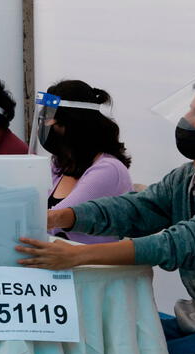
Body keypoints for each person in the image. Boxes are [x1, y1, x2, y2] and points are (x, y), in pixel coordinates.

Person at [16, 69, 195, 354]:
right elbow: (137, 209)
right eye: (189, 109)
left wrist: (78, 255)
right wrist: (64, 216)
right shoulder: (187, 177)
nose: (185, 120)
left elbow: (181, 243)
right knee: (107, 342)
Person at [32, 80, 133, 243]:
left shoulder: (108, 170)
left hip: (91, 266)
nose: (41, 128)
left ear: (72, 123)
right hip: (58, 260)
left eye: (48, 120)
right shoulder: (60, 165)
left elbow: (53, 221)